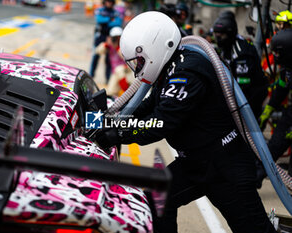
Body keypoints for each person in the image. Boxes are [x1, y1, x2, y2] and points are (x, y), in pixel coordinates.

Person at [95, 11, 276, 233]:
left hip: (224, 166)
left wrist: (116, 134)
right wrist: (101, 122)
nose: (138, 66)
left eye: (140, 60)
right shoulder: (171, 67)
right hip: (196, 162)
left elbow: (161, 122)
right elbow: (146, 106)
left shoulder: (187, 71)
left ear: (156, 47)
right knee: (156, 202)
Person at [212, 11, 269, 119]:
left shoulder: (241, 52)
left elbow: (243, 85)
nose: (218, 38)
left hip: (250, 98)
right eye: (216, 34)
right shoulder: (226, 48)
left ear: (230, 33)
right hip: (237, 96)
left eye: (221, 35)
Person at [257, 29, 292, 185]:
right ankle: (252, 181)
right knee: (273, 148)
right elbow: (282, 88)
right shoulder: (288, 67)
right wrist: (268, 110)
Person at [89, 0, 123, 81]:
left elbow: (118, 22)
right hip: (100, 37)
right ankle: (91, 75)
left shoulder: (116, 12)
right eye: (108, 1)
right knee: (96, 56)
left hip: (110, 38)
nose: (109, 3)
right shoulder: (100, 10)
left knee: (109, 59)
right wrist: (110, 19)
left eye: (111, 2)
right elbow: (99, 20)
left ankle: (108, 78)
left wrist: (106, 21)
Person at [95, 26, 133, 96]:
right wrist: (106, 45)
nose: (116, 39)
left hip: (126, 71)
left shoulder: (124, 46)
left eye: (118, 37)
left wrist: (118, 47)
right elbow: (97, 51)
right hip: (115, 72)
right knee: (110, 92)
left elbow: (126, 58)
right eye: (114, 37)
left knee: (119, 70)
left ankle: (128, 93)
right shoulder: (109, 46)